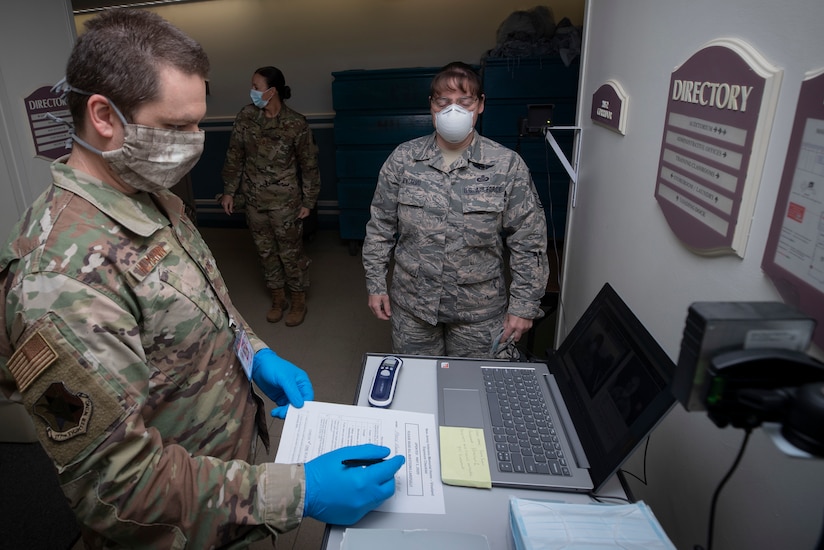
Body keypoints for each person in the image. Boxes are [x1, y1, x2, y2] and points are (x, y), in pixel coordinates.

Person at [0, 10, 403, 549]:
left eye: (197, 123)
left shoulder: (153, 200)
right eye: (174, 127)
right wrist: (298, 493)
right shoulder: (61, 276)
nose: (195, 142)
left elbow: (204, 299)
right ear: (103, 115)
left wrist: (253, 350)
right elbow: (118, 489)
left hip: (224, 479)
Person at [362, 61, 550, 359]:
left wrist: (524, 306)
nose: (454, 110)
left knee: (477, 392)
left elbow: (529, 241)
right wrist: (375, 284)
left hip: (480, 312)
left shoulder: (506, 165)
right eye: (444, 102)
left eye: (464, 102)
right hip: (414, 308)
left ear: (480, 105)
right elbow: (380, 228)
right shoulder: (404, 159)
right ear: (432, 106)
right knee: (417, 386)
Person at [221, 66, 320, 327]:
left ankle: (298, 300)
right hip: (254, 199)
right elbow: (235, 155)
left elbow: (309, 164)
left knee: (291, 252)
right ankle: (278, 298)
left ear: (272, 91)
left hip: (285, 202)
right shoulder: (246, 116)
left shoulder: (295, 123)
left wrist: (309, 202)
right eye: (252, 86)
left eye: (256, 86)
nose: (252, 91)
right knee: (265, 252)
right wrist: (229, 191)